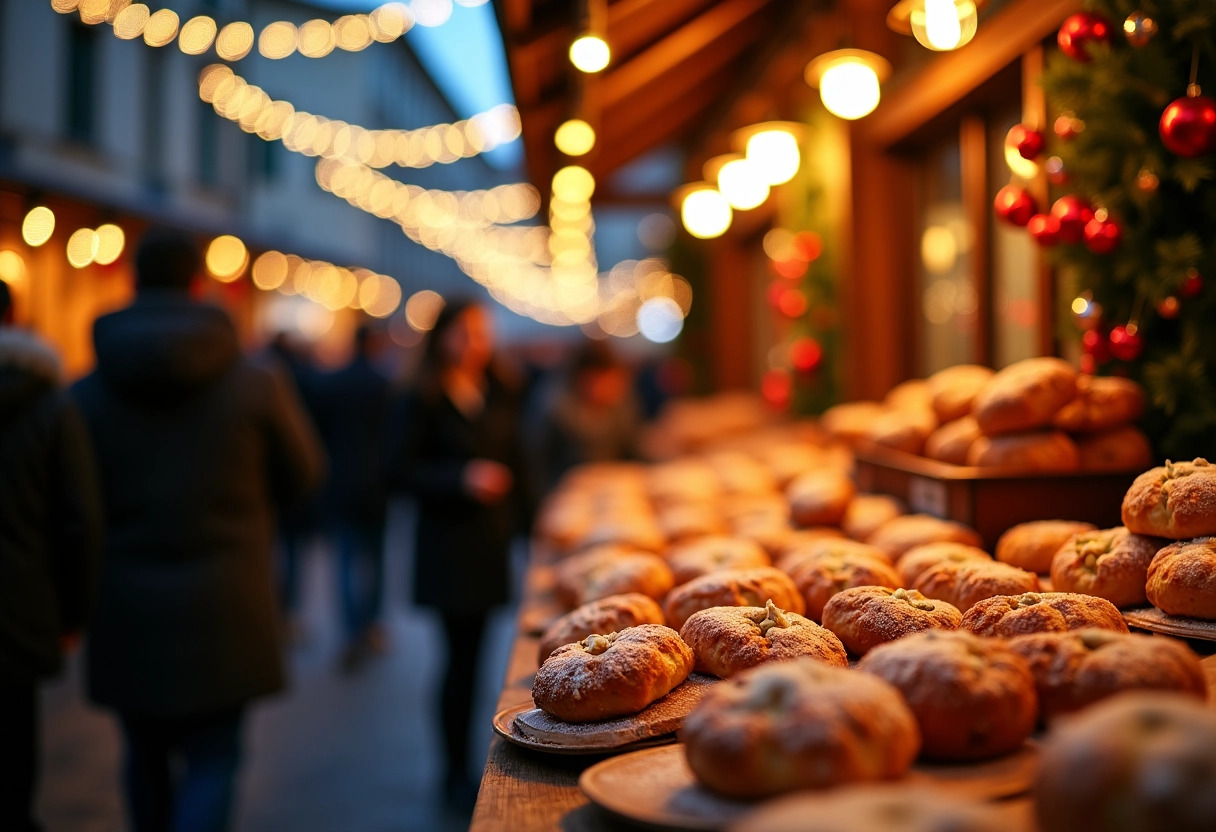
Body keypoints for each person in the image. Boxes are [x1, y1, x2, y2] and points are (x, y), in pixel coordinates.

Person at [72, 229, 325, 832]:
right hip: (226, 602)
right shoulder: (256, 382)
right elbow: (306, 476)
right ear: (198, 284)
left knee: (143, 755)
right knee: (215, 758)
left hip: (125, 601)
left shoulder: (86, 392)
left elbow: (72, 504)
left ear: (132, 283)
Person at [387, 298, 527, 808]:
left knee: (480, 657)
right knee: (457, 661)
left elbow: (518, 460)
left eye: (482, 332)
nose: (475, 342)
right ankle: (452, 771)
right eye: (465, 332)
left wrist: (532, 528)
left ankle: (473, 761)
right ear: (441, 335)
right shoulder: (420, 396)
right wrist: (459, 478)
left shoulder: (499, 387)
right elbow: (397, 472)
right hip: (447, 547)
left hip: (488, 543)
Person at [0, 280, 102, 832]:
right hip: (18, 600)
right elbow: (76, 518)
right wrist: (73, 613)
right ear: (14, 317)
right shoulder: (49, 403)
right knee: (15, 736)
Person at [317, 324, 392, 671]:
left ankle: (351, 630)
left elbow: (322, 435)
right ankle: (371, 625)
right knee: (375, 559)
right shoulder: (384, 384)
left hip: (342, 483)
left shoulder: (333, 383)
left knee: (346, 560)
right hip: (376, 485)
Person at [535, 339, 640, 492]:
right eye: (602, 381)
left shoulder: (622, 406)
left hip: (614, 487)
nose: (610, 389)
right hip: (567, 492)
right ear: (583, 379)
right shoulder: (555, 407)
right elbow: (539, 464)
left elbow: (632, 446)